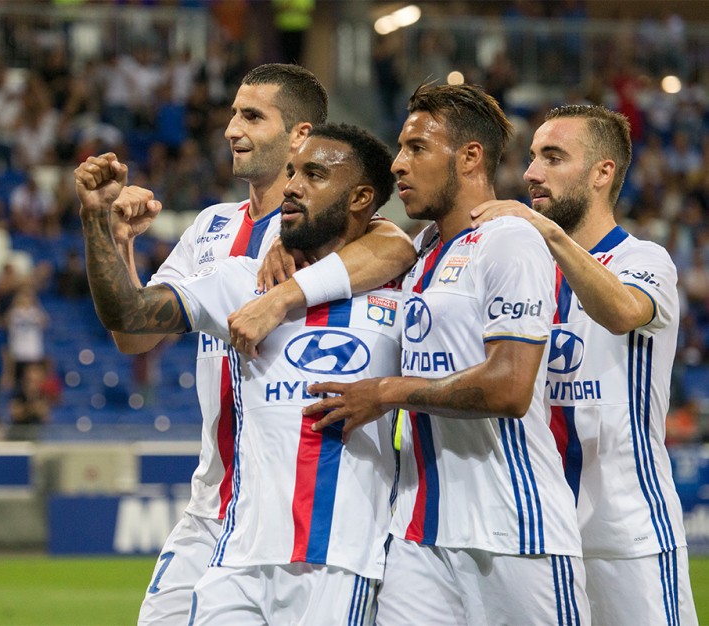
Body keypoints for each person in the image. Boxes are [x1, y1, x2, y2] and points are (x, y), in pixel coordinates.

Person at [104, 64, 415, 624]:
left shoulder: (325, 231)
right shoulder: (211, 228)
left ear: (300, 135)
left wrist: (283, 295)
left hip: (309, 518)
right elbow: (133, 333)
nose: (231, 128)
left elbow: (396, 245)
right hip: (216, 501)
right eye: (232, 114)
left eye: (251, 116)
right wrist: (117, 241)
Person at [274, 83, 589, 625]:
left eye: (417, 148)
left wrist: (387, 392)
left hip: (514, 531)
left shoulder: (509, 240)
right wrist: (281, 243)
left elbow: (510, 388)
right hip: (418, 535)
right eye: (400, 147)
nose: (399, 163)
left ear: (469, 157)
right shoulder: (419, 252)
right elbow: (361, 237)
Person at [470, 104, 697, 626]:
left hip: (627, 537)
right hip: (537, 534)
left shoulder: (644, 261)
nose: (531, 172)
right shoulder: (520, 273)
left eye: (553, 157)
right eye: (532, 157)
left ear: (602, 173)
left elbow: (622, 312)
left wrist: (547, 233)